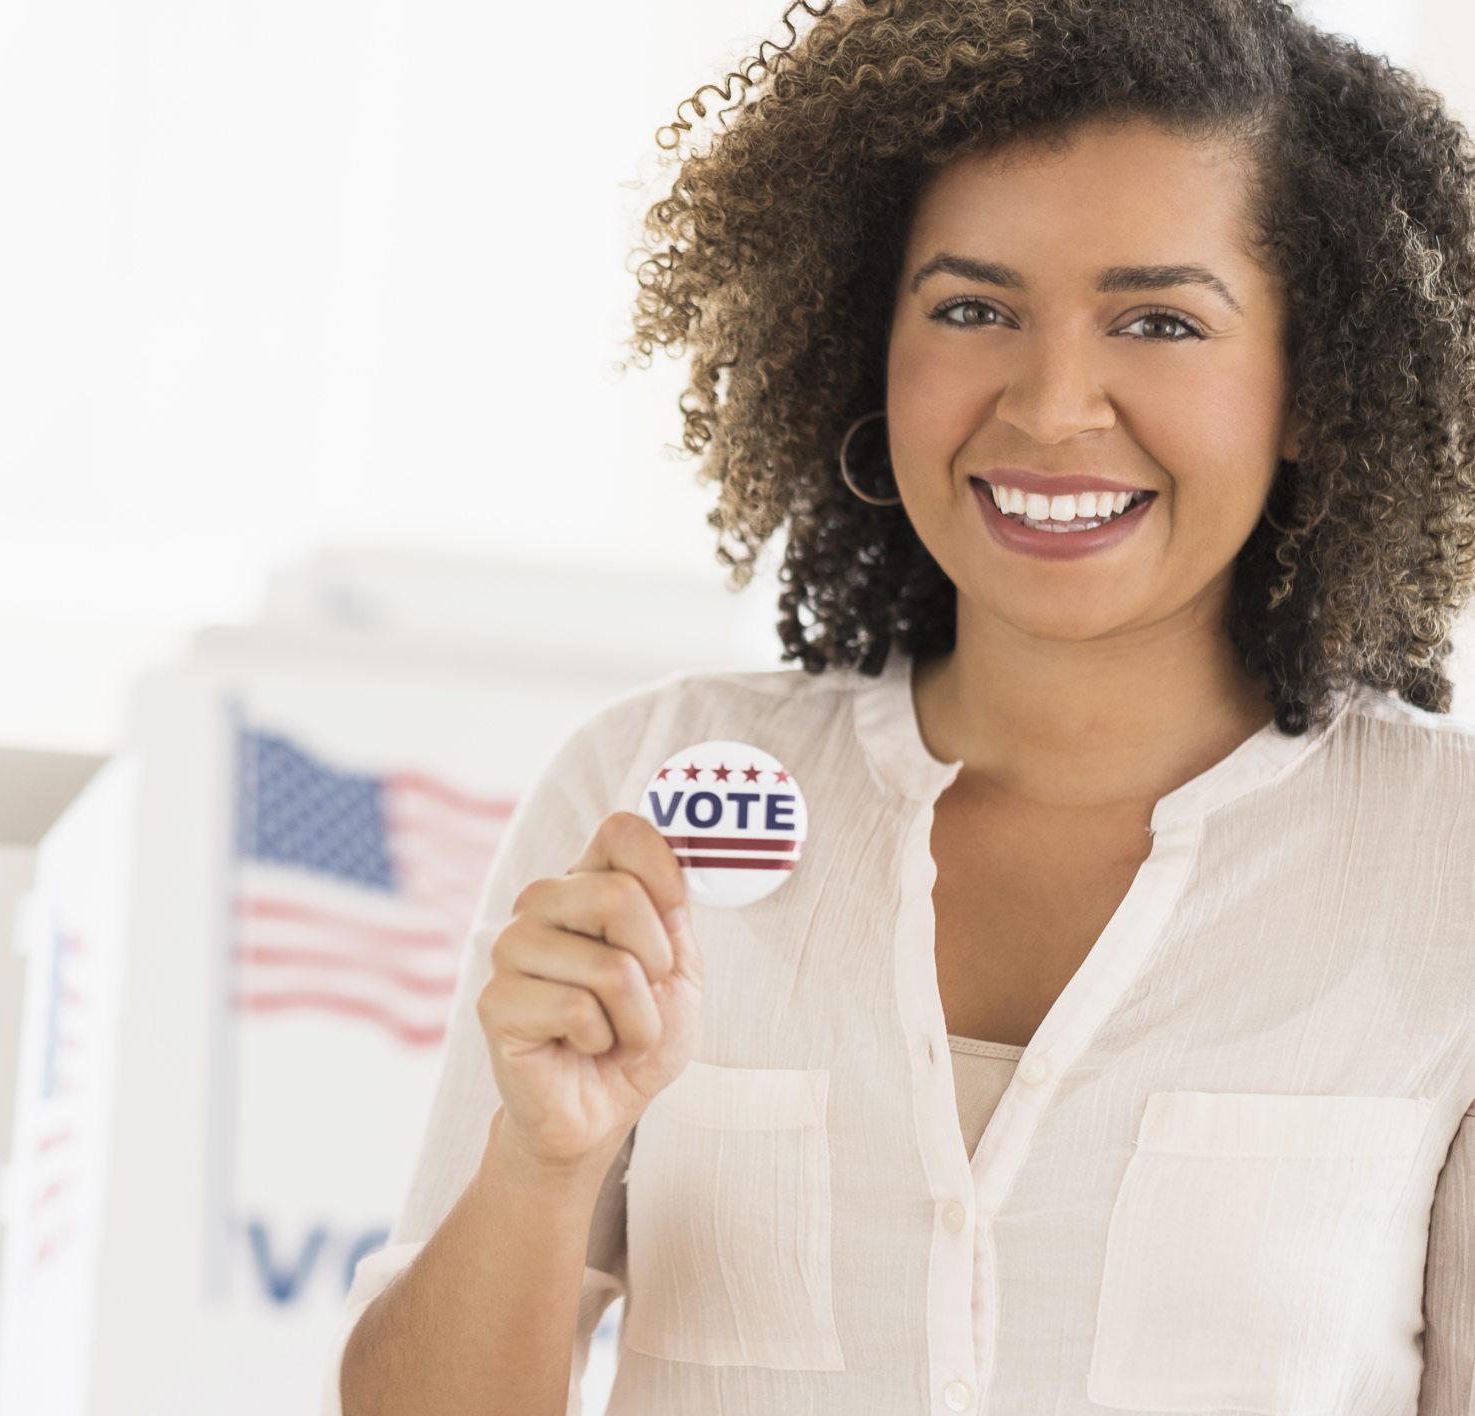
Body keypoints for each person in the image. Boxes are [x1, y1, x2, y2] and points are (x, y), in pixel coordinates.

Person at [332, 1, 1475, 1412]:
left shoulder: (1450, 866)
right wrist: (544, 1158)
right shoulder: (647, 791)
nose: (1053, 406)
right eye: (971, 308)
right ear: (865, 341)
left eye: (1160, 320)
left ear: (1314, 388)